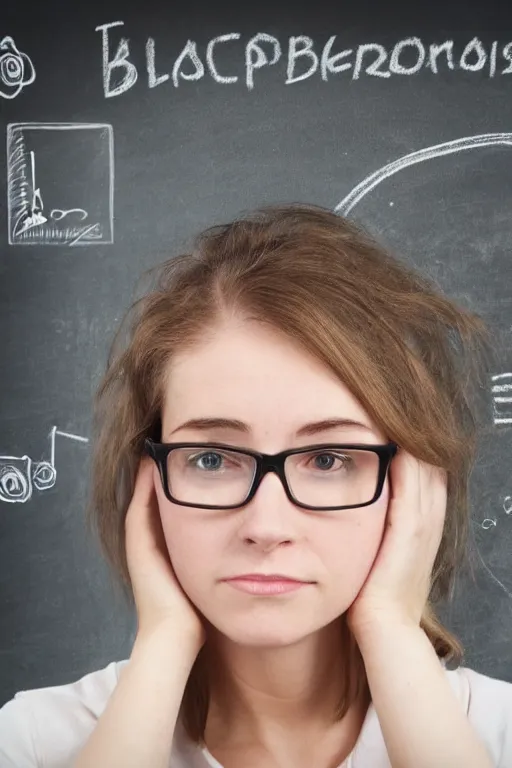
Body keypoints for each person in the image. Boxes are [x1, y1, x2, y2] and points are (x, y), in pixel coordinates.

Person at [0, 203, 511, 768]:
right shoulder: (32, 742)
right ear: (150, 484)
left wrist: (391, 628)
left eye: (328, 459)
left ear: (411, 487)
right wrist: (163, 644)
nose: (266, 528)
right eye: (213, 460)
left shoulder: (496, 735)